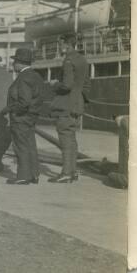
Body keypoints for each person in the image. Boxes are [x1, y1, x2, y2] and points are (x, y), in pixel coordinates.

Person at [47, 34, 90, 183]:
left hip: (66, 105)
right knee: (71, 139)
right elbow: (85, 85)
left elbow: (66, 85)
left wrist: (54, 84)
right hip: (77, 104)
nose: (60, 47)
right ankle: (72, 172)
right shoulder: (82, 60)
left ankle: (66, 173)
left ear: (66, 44)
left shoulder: (68, 61)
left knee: (65, 139)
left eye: (60, 44)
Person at [2, 47, 43, 185]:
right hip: (31, 117)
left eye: (14, 62)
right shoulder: (36, 76)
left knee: (21, 146)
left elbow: (24, 102)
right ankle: (34, 174)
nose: (13, 65)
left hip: (21, 117)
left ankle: (23, 176)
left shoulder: (23, 78)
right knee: (30, 144)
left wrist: (10, 110)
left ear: (20, 63)